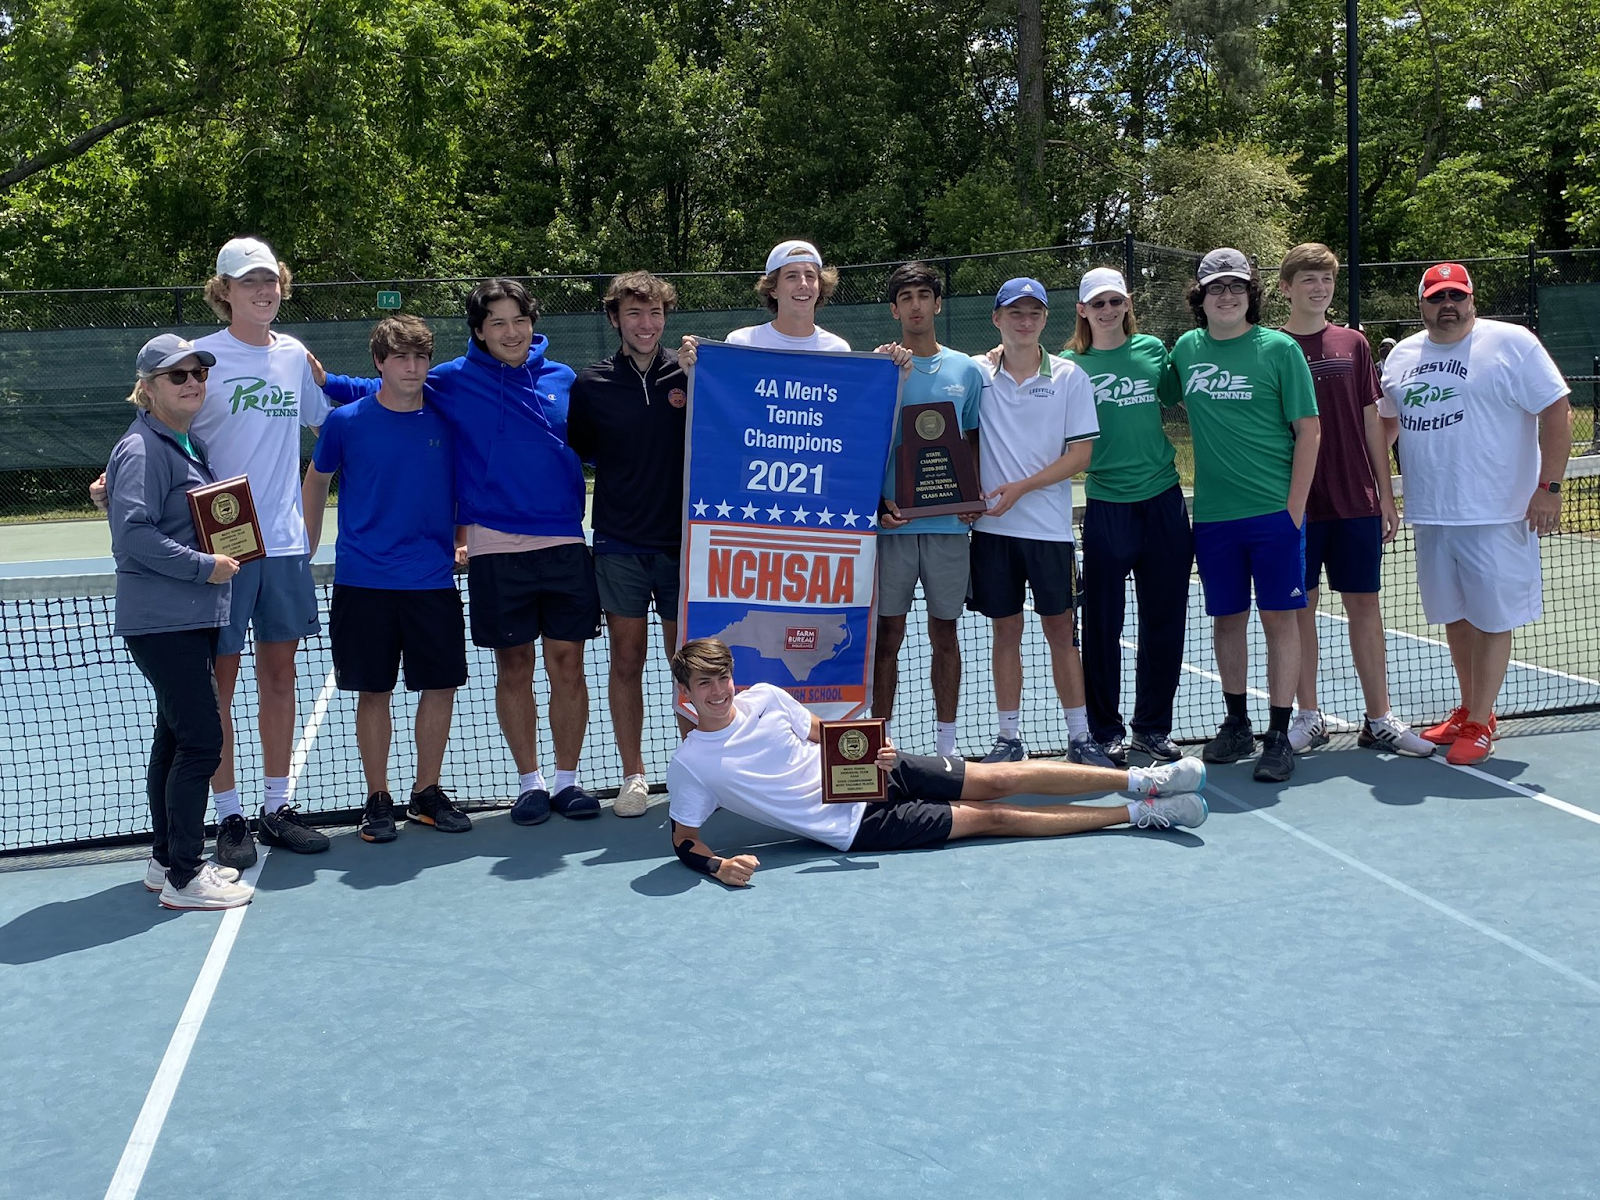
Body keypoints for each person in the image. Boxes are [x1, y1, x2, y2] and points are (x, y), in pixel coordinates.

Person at [314, 279, 602, 823]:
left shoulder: (565, 380)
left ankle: (568, 781)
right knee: (513, 666)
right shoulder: (450, 380)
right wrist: (322, 378)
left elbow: (601, 441)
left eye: (519, 319)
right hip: (493, 544)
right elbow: (384, 390)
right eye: (497, 322)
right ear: (478, 332)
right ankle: (530, 784)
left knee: (568, 665)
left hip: (564, 539)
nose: (511, 331)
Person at [664, 638, 1208, 886]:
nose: (719, 690)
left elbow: (824, 735)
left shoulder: (765, 697)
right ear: (686, 694)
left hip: (882, 771)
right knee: (994, 817)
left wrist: (869, 750)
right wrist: (719, 867)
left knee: (1001, 778)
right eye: (705, 683)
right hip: (854, 826)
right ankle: (1141, 815)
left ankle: (1144, 779)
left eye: (723, 676)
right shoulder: (692, 764)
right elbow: (684, 836)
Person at [1377, 262, 1572, 765]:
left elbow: (1556, 411)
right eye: (1437, 297)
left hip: (1498, 514)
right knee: (1456, 618)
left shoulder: (1513, 343)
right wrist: (1373, 488)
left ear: (1471, 300)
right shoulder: (1402, 356)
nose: (1448, 306)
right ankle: (1469, 710)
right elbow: (1386, 426)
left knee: (1492, 618)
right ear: (1421, 304)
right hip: (1432, 514)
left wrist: (1549, 487)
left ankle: (1483, 720)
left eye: (1456, 296)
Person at [302, 314, 472, 842]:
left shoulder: (446, 419)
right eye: (401, 357)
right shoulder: (346, 421)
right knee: (373, 691)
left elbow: (463, 486)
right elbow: (316, 480)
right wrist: (304, 549)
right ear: (379, 363)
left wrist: (462, 538)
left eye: (421, 357)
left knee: (439, 687)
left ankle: (426, 793)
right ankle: (377, 798)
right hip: (364, 581)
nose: (413, 367)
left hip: (432, 581)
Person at [106, 334, 252, 909]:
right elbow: (133, 535)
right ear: (148, 387)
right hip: (163, 620)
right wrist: (203, 567)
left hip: (187, 619)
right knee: (201, 741)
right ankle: (186, 878)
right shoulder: (143, 447)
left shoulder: (182, 443)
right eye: (177, 376)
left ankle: (166, 860)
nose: (192, 382)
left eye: (198, 373)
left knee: (173, 739)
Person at [1170, 248, 1320, 782]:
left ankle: (1278, 735)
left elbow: (1309, 430)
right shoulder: (1185, 350)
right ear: (1201, 298)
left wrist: (1294, 510)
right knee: (1226, 620)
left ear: (1251, 294)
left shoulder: (1279, 350)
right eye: (1216, 288)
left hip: (1273, 516)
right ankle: (1237, 722)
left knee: (1280, 621)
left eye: (1236, 287)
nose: (1227, 296)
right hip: (1213, 518)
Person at [1276, 244, 1432, 757]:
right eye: (1308, 279)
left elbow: (1373, 422)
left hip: (1355, 501)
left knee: (1364, 605)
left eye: (1326, 279)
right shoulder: (1270, 347)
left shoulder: (1354, 343)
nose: (1319, 288)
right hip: (1295, 504)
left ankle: (1379, 718)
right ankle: (1308, 716)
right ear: (1286, 287)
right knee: (1302, 610)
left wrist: (1386, 493)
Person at [968, 278, 1110, 768]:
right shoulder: (976, 373)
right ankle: (1009, 738)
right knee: (1005, 635)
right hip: (991, 533)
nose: (1024, 321)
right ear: (997, 319)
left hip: (1050, 532)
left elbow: (1081, 456)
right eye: (1014, 313)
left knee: (1061, 633)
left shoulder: (1071, 377)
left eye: (1033, 313)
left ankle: (1079, 736)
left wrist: (1022, 488)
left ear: (1046, 319)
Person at [565, 271, 691, 817]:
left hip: (685, 545)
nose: (647, 324)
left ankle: (696, 768)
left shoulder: (691, 370)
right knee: (626, 663)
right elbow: (584, 451)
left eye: (655, 313)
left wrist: (697, 379)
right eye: (635, 313)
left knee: (689, 665)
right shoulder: (589, 384)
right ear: (615, 318)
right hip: (618, 545)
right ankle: (634, 775)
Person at [1061, 266, 1192, 766]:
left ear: (1127, 303)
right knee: (1102, 626)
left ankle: (1153, 729)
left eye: (1116, 301)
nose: (1108, 311)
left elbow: (1187, 392)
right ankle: (1105, 730)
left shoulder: (1154, 352)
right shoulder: (1069, 365)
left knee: (1164, 621)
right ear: (1083, 310)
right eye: (1098, 304)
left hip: (1162, 500)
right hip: (1106, 505)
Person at [872, 262, 986, 757]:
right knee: (887, 638)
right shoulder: (880, 368)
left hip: (947, 529)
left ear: (938, 304)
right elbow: (864, 443)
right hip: (892, 527)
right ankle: (879, 741)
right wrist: (878, 503)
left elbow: (974, 442)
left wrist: (972, 495)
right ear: (894, 309)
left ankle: (947, 745)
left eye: (924, 295)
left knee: (946, 634)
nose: (916, 305)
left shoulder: (967, 370)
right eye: (906, 297)